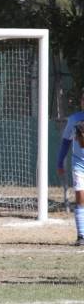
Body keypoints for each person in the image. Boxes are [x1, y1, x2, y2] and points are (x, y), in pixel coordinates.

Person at [56, 90, 84, 246]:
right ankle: (81, 235)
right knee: (80, 197)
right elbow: (66, 142)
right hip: (79, 164)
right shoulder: (74, 120)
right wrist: (60, 162)